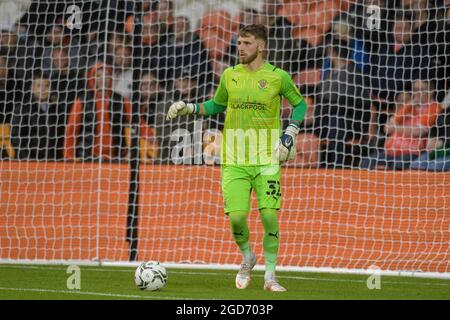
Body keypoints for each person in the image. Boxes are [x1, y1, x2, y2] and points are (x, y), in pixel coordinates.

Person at [166, 24, 308, 291]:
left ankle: (270, 276)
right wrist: (190, 107)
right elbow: (217, 104)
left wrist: (290, 131)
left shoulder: (278, 77)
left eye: (246, 43)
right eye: (239, 42)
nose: (240, 47)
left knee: (268, 215)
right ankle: (248, 257)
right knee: (237, 218)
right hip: (234, 159)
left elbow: (300, 104)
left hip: (267, 158)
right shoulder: (230, 75)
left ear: (261, 46)